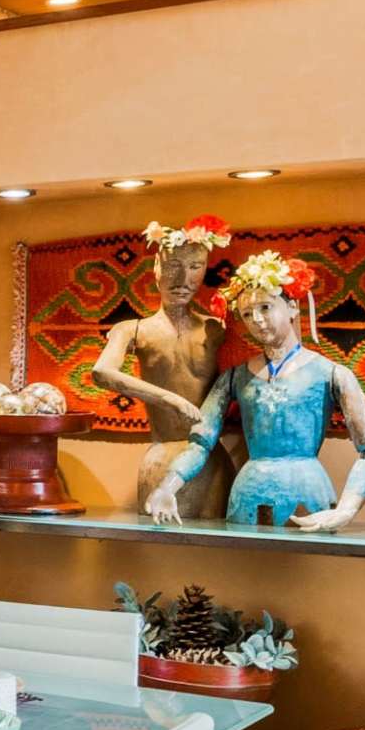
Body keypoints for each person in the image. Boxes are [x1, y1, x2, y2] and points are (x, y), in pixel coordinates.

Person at [148, 249, 365, 531]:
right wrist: (167, 486)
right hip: (246, 502)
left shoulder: (331, 374)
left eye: (266, 307)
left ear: (293, 307)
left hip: (309, 501)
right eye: (247, 314)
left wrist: (346, 510)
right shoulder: (235, 377)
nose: (257, 320)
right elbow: (200, 443)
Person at [90, 216, 235, 518]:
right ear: (156, 267)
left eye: (195, 267)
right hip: (163, 457)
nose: (183, 279)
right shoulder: (133, 330)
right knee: (161, 549)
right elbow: (102, 372)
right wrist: (168, 398)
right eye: (172, 266)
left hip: (211, 457)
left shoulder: (216, 328)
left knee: (223, 548)